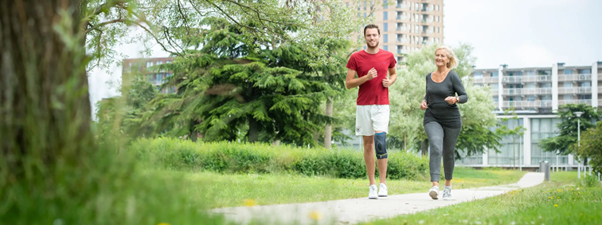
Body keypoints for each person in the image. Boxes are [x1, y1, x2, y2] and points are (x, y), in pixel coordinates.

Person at [345, 24, 397, 199]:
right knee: (368, 145)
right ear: (365, 37)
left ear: (379, 36)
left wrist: (390, 82)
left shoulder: (388, 56)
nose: (372, 38)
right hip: (363, 105)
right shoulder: (356, 57)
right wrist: (366, 78)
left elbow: (394, 74)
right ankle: (372, 185)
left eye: (374, 35)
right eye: (369, 35)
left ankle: (383, 184)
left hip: (382, 104)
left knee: (380, 141)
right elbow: (348, 84)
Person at [420, 46, 468, 200]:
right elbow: (429, 95)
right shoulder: (429, 77)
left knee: (448, 152)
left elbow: (464, 95)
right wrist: (424, 102)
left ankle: (447, 186)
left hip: (451, 120)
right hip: (432, 117)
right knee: (435, 144)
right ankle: (434, 185)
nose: (439, 58)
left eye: (442, 56)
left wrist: (456, 99)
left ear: (448, 59)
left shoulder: (452, 76)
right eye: (437, 55)